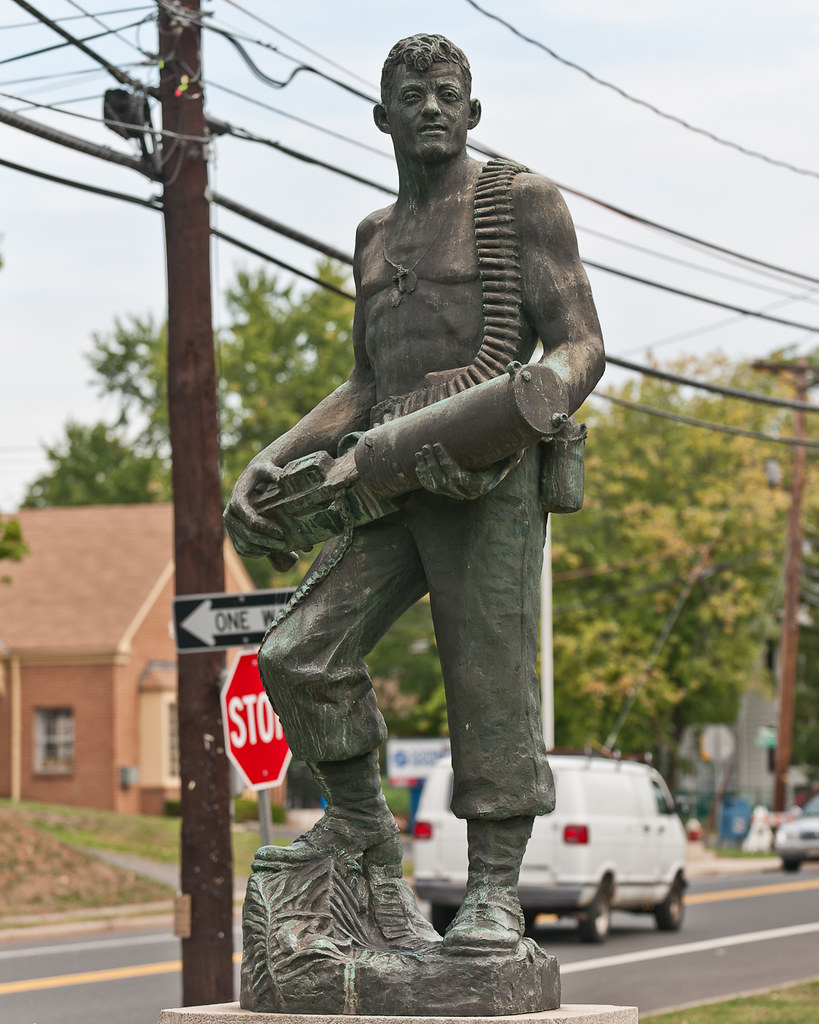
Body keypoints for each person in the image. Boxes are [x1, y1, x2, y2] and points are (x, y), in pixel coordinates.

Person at [223, 33, 605, 956]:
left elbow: (580, 344)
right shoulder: (373, 236)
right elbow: (364, 382)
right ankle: (364, 834)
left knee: (490, 685)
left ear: (470, 113)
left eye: (446, 93)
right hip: (384, 474)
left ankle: (491, 894)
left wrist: (523, 404)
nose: (429, 107)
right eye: (410, 93)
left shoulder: (519, 203)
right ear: (381, 116)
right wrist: (270, 458)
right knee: (296, 652)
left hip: (487, 475)